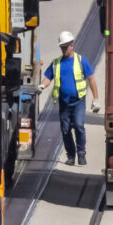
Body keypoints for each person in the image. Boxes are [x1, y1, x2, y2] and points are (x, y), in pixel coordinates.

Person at [45, 29, 93, 166]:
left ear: (72, 45)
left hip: (78, 101)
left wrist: (96, 99)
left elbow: (91, 79)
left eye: (66, 46)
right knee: (65, 130)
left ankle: (81, 154)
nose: (64, 49)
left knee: (79, 125)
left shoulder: (81, 61)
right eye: (62, 47)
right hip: (64, 102)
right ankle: (71, 156)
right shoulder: (56, 63)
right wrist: (42, 86)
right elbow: (48, 78)